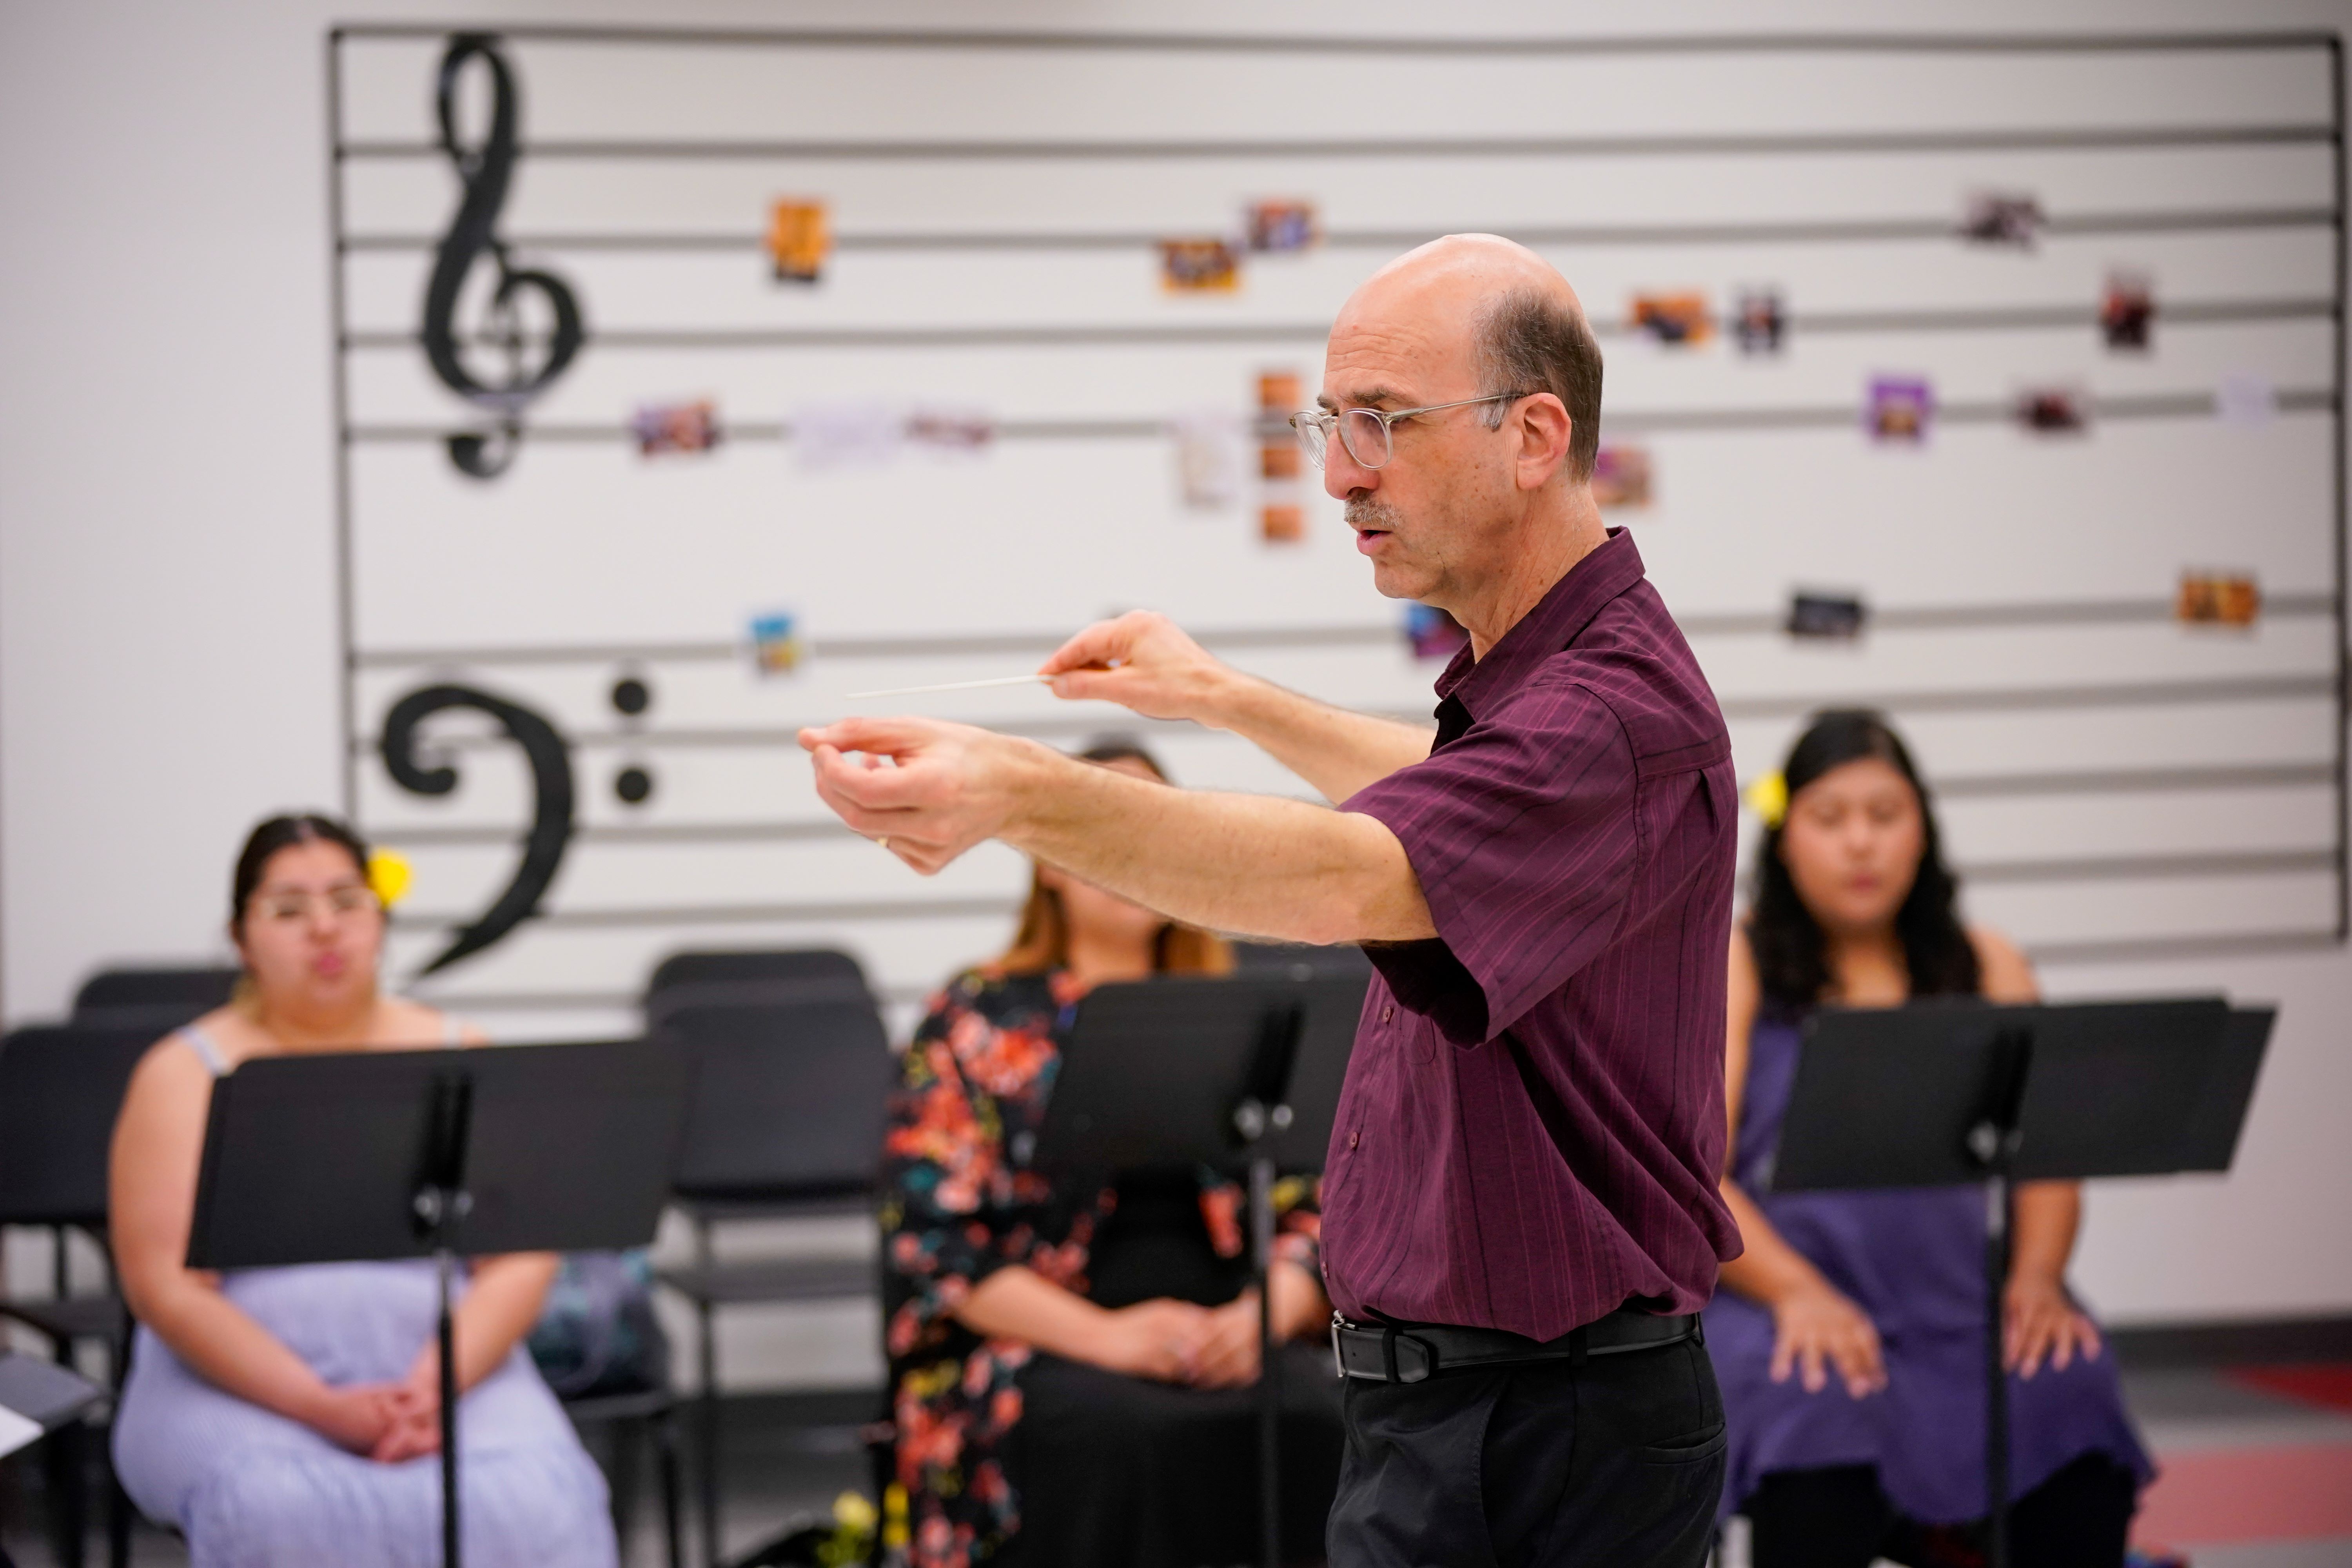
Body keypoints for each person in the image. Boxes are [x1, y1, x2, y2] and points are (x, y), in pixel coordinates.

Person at [800, 234, 1740, 1567]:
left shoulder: (1607, 718)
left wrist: (1022, 796)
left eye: (1381, 424)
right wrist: (1215, 696)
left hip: (1544, 1422)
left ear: (1535, 434)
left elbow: (1349, 873)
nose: (1341, 469)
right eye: (1329, 423)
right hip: (1469, 1408)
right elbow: (1445, 789)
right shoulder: (1544, 690)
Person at [109, 814, 617, 1568]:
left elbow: (520, 1258)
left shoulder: (457, 1051)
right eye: (289, 909)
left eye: (347, 901)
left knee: (546, 1500)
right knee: (275, 1511)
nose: (324, 929)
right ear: (241, 937)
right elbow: (166, 1288)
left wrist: (433, 1387)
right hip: (239, 1383)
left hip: (450, 1373)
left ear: (380, 922)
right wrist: (322, 1407)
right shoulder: (182, 1073)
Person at [1707, 711, 2152, 1568]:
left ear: (1924, 829)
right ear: (1786, 837)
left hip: (1961, 1303)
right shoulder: (1741, 962)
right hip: (1781, 1298)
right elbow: (1699, 1174)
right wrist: (1798, 1291)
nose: (1861, 843)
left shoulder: (1990, 961)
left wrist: (2037, 1276)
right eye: (1831, 819)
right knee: (1815, 1403)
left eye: (1886, 813)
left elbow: (2047, 1157)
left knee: (2069, 1378)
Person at [882, 740, 1341, 1568]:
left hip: (1226, 1325)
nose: (1127, 853)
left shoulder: (1249, 1011)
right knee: (1115, 1433)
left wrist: (1261, 1318)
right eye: (1098, 828)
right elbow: (933, 1239)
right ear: (1047, 863)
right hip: (1051, 1338)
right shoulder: (973, 1017)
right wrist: (1108, 1339)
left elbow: (1321, 1207)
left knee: (1313, 1416)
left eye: (1149, 829)